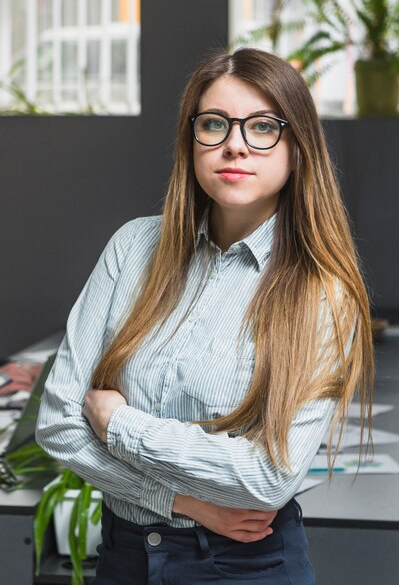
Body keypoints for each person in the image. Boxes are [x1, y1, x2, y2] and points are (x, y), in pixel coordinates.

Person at [36, 48, 374, 584]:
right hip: (124, 558)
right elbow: (57, 425)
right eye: (214, 124)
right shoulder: (133, 248)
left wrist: (117, 423)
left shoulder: (321, 293)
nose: (235, 144)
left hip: (246, 565)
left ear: (297, 148)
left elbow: (268, 479)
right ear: (191, 140)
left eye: (263, 127)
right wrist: (187, 501)